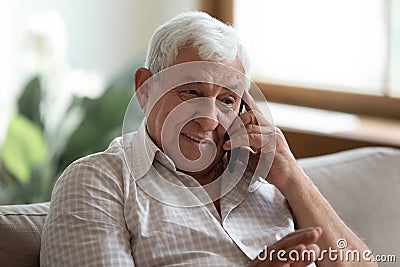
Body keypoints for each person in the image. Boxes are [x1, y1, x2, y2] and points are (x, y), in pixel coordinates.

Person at [41, 11, 376, 266]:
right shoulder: (97, 182)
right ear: (145, 89)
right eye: (190, 91)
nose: (208, 118)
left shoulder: (269, 178)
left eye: (227, 99)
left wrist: (293, 179)